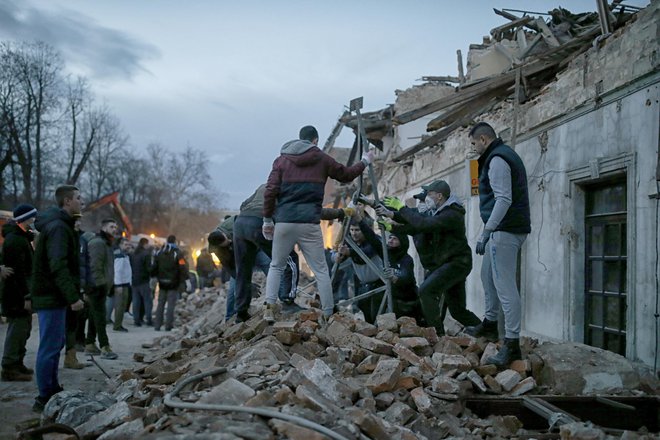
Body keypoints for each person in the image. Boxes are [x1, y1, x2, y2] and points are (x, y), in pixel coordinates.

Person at [262, 125, 373, 323]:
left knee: (276, 266)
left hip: (284, 222)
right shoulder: (322, 159)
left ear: (299, 139)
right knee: (321, 269)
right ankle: (329, 313)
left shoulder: (281, 160)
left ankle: (269, 308)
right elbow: (346, 175)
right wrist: (364, 161)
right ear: (315, 141)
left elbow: (270, 190)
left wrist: (267, 220)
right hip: (310, 223)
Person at [465, 122, 531, 367]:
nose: (472, 148)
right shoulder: (499, 156)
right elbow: (496, 202)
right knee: (487, 276)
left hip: (506, 230)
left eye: (474, 143)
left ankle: (512, 344)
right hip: (501, 230)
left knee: (505, 286)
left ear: (484, 139)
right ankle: (490, 325)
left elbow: (503, 199)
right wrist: (487, 231)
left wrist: (487, 232)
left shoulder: (497, 159)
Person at [379, 180, 481, 336]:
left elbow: (422, 224)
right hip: (449, 264)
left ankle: (437, 335)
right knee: (457, 311)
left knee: (426, 291)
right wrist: (392, 219)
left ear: (439, 196)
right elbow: (415, 225)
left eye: (429, 194)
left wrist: (401, 208)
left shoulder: (452, 214)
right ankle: (485, 332)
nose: (426, 197)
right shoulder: (439, 212)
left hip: (457, 264)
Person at [29, 185, 85, 411]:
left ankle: (51, 389)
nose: (82, 201)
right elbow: (58, 265)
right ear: (68, 201)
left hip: (53, 295)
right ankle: (44, 396)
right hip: (51, 295)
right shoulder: (59, 228)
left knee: (54, 344)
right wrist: (73, 297)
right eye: (78, 198)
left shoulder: (60, 226)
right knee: (50, 347)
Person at [233, 184, 300, 323]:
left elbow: (243, 204)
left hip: (240, 224)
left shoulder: (265, 185)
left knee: (243, 270)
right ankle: (288, 301)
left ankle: (241, 312)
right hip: (260, 222)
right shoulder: (292, 187)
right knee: (290, 259)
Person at [357, 217, 422, 323]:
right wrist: (360, 221)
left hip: (406, 298)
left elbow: (406, 276)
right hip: (391, 294)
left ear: (402, 242)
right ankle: (373, 326)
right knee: (372, 297)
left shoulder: (407, 259)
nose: (390, 241)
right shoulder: (386, 254)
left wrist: (395, 276)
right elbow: (372, 239)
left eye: (394, 239)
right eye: (390, 238)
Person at [1, 204, 37, 381]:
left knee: (24, 329)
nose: (35, 220)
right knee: (17, 330)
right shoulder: (15, 241)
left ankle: (17, 363)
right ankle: (9, 367)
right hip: (16, 296)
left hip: (19, 294)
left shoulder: (21, 238)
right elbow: (18, 273)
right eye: (32, 217)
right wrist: (26, 296)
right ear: (25, 218)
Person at [336, 219, 384, 323]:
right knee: (366, 313)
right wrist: (338, 256)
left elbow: (366, 254)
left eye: (357, 230)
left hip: (379, 285)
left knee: (376, 315)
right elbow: (338, 257)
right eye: (352, 230)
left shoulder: (375, 241)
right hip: (364, 285)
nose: (354, 233)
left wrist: (349, 252)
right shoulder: (352, 243)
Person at [85, 219, 119, 360]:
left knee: (94, 315)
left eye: (115, 226)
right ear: (103, 228)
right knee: (100, 316)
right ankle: (105, 346)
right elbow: (95, 266)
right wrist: (99, 284)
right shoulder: (98, 243)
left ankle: (90, 343)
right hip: (96, 286)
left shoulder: (107, 243)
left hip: (102, 285)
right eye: (111, 226)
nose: (114, 229)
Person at [151, 235, 187, 331]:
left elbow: (154, 266)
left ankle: (157, 325)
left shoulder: (160, 252)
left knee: (160, 304)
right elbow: (182, 266)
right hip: (173, 283)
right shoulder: (178, 253)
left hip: (162, 282)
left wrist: (156, 276)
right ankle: (168, 325)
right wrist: (183, 279)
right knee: (171, 305)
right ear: (175, 241)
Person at [131, 238, 153, 326]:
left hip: (134, 281)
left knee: (136, 301)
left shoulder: (134, 254)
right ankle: (149, 319)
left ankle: (136, 320)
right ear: (145, 244)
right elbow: (148, 268)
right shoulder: (146, 254)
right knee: (147, 301)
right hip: (144, 281)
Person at [112, 237, 132, 332]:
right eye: (125, 244)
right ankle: (117, 325)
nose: (127, 246)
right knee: (120, 306)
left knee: (122, 306)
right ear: (120, 245)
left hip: (125, 284)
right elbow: (117, 271)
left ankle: (118, 324)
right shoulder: (119, 255)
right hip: (121, 285)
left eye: (128, 244)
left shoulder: (125, 255)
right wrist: (118, 285)